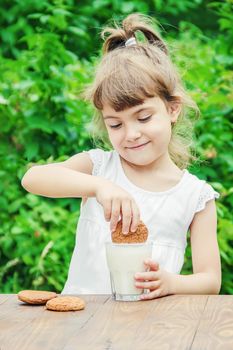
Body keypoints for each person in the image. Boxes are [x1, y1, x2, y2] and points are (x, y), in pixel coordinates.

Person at [21, 13, 221, 299]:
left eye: (143, 117)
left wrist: (172, 283)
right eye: (115, 124)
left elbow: (210, 280)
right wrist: (99, 186)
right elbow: (33, 178)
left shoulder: (195, 196)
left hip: (151, 331)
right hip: (81, 326)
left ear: (173, 109)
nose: (130, 134)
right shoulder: (100, 167)